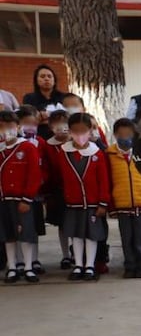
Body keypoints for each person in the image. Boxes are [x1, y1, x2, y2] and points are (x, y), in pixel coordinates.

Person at [57, 112, 110, 282]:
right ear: (70, 131)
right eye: (75, 131)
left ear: (90, 131)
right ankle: (78, 264)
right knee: (76, 235)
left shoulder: (97, 153)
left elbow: (104, 180)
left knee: (91, 235)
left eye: (83, 130)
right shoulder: (64, 153)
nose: (80, 135)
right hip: (73, 203)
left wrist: (103, 203)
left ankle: (90, 266)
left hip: (93, 204)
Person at [105, 118, 141, 279]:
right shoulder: (109, 155)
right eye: (121, 134)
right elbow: (107, 180)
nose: (125, 137)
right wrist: (111, 206)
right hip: (122, 205)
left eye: (129, 134)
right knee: (127, 238)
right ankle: (130, 265)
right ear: (115, 135)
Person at [0, 110, 42, 283]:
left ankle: (28, 267)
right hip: (3, 200)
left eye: (10, 126)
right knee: (8, 235)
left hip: (22, 200)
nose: (5, 130)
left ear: (18, 127)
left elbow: (34, 175)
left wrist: (27, 198)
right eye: (1, 127)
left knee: (26, 234)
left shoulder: (27, 147)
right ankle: (12, 267)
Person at [41, 110, 72, 269]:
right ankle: (66, 255)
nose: (61, 127)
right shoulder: (48, 146)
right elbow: (45, 168)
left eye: (65, 123)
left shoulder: (76, 142)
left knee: (76, 222)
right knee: (62, 224)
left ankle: (77, 252)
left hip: (75, 189)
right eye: (57, 124)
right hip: (57, 190)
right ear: (51, 126)